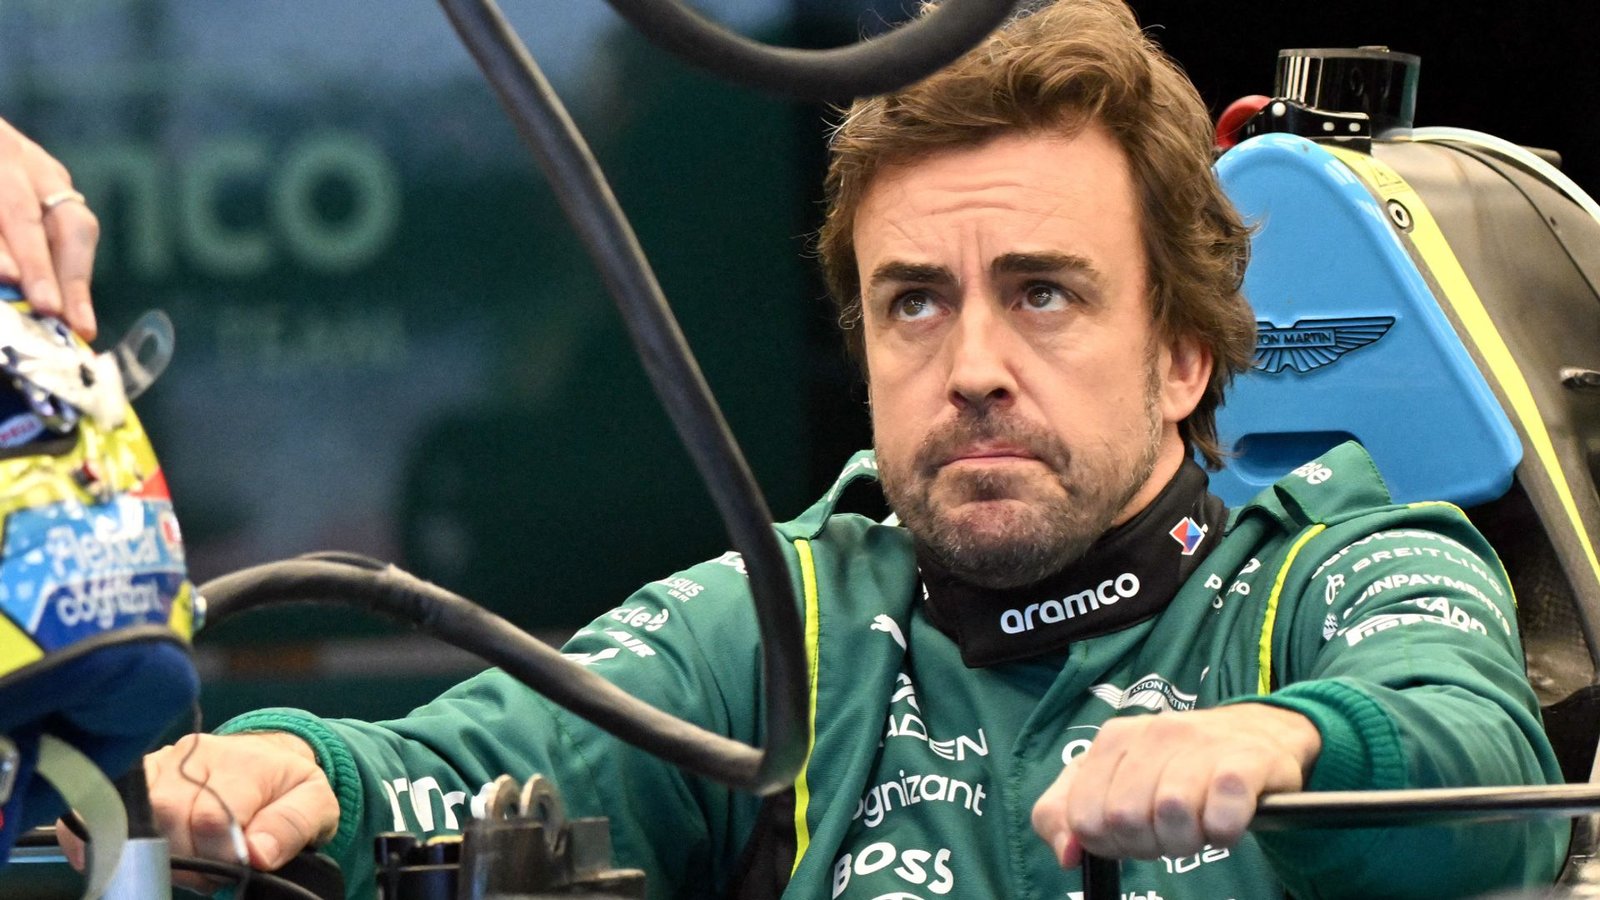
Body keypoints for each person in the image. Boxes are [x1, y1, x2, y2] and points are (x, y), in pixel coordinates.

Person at [4, 0, 1569, 896]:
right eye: (914, 303)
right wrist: (299, 774)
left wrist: (1280, 745)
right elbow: (464, 767)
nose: (972, 368)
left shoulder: (1345, 571)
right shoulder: (791, 624)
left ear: (1182, 353)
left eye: (1043, 294)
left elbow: (1480, 762)